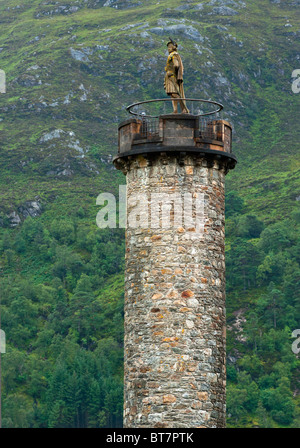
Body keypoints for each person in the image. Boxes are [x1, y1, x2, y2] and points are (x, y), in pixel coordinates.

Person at [164, 38, 189, 114]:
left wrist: (172, 71)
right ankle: (175, 110)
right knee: (172, 94)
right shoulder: (171, 55)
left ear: (173, 48)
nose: (168, 49)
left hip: (172, 76)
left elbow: (176, 65)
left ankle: (184, 108)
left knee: (175, 93)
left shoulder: (174, 55)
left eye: (169, 47)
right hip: (169, 77)